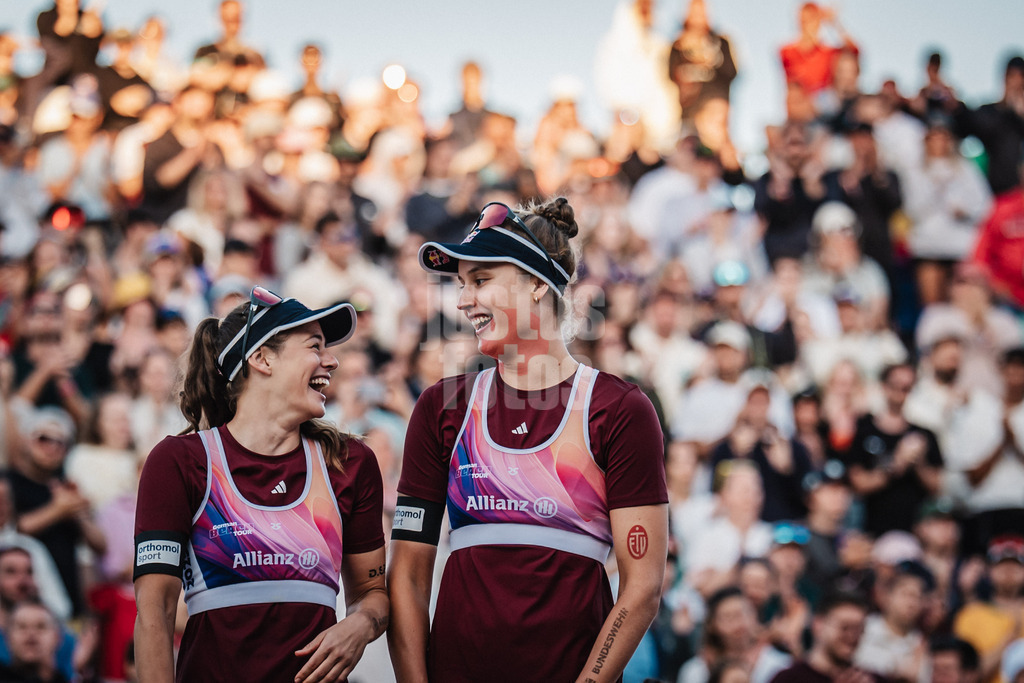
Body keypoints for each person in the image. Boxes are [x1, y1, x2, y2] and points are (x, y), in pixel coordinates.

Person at [388, 198, 668, 682]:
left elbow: (642, 586)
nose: (461, 300)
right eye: (461, 285)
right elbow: (409, 575)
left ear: (538, 283)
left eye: (480, 281)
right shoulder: (440, 407)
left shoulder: (619, 409)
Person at [132, 288, 388, 682]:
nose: (332, 361)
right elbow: (155, 614)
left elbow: (372, 595)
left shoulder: (350, 463)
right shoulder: (179, 462)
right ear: (262, 358)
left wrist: (362, 625)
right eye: (315, 346)